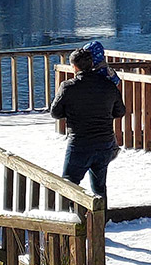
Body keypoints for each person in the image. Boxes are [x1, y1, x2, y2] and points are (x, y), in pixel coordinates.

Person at [50, 48, 125, 200]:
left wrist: (72, 112)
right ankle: (101, 220)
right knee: (99, 187)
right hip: (105, 142)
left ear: (75, 67)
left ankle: (73, 219)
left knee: (69, 184)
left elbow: (55, 113)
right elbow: (120, 111)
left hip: (80, 143)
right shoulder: (108, 84)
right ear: (91, 64)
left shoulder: (68, 87)